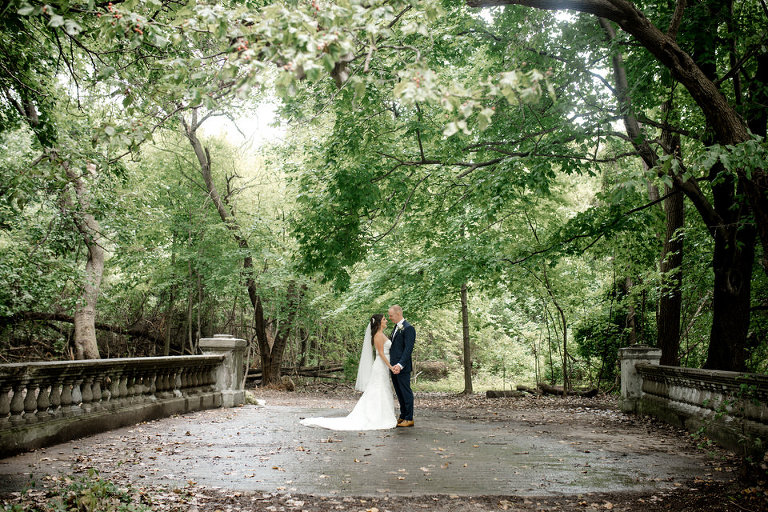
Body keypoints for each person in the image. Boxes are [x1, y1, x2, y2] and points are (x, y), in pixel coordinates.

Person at [300, 314, 398, 430]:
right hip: (381, 366)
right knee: (378, 389)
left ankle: (382, 414)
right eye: (384, 319)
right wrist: (391, 367)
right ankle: (376, 416)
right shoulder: (378, 335)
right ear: (378, 323)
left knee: (382, 389)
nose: (386, 321)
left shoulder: (382, 334)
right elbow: (381, 354)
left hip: (383, 366)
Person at [388, 305, 415, 427]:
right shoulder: (396, 327)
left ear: (398, 313)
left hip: (402, 367)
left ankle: (409, 418)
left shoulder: (409, 328)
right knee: (399, 392)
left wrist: (400, 365)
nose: (389, 318)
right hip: (393, 367)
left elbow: (408, 350)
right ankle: (403, 415)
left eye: (391, 315)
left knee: (405, 392)